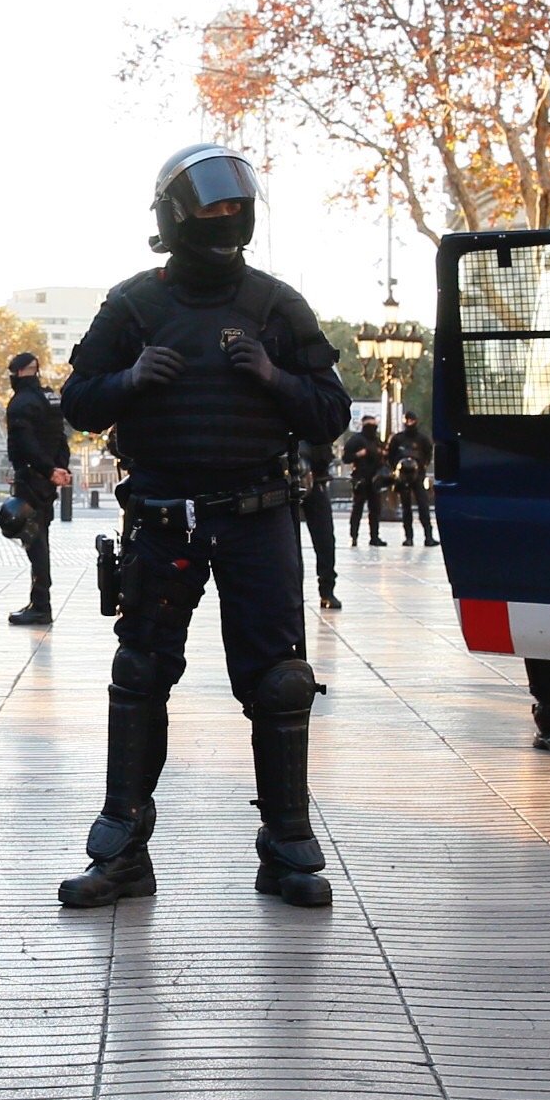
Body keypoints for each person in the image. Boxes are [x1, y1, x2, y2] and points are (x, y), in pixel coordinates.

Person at [55, 144, 353, 910]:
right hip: (164, 521)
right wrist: (129, 379)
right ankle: (122, 852)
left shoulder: (276, 304)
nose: (225, 218)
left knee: (282, 684)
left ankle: (286, 848)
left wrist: (271, 374)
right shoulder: (132, 305)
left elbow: (329, 410)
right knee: (140, 675)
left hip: (258, 519)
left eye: (234, 207)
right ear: (176, 218)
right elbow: (79, 400)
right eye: (211, 208)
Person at [1, 352, 72, 627]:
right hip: (47, 479)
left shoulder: (20, 403)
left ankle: (41, 604)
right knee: (41, 537)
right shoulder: (50, 398)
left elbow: (25, 443)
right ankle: (39, 601)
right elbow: (60, 437)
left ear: (18, 373)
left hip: (32, 478)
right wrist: (58, 469)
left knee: (34, 541)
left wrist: (48, 469)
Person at [296, 430, 341, 609]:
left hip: (317, 478)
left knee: (325, 540)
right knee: (289, 543)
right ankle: (293, 590)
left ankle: (327, 590)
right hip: (288, 478)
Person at [390, 416, 436, 546]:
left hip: (418, 476)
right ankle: (409, 537)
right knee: (406, 507)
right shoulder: (398, 439)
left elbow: (428, 453)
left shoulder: (422, 439)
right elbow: (391, 455)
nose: (409, 423)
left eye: (412, 420)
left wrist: (422, 465)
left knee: (423, 505)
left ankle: (428, 536)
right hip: (403, 477)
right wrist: (396, 468)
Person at [344, 417, 388, 545]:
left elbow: (384, 454)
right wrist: (359, 454)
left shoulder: (376, 440)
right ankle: (354, 536)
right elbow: (346, 458)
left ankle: (374, 537)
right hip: (361, 478)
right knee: (357, 508)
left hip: (375, 479)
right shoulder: (356, 440)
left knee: (375, 510)